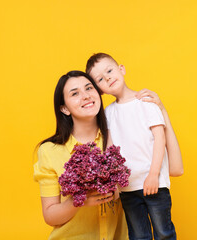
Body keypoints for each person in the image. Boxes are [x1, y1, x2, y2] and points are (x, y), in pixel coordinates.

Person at [86, 53, 183, 240]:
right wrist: (111, 180)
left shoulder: (145, 101)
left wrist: (153, 175)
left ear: (121, 69)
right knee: (138, 235)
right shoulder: (108, 113)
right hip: (127, 188)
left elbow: (159, 138)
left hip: (154, 183)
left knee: (164, 233)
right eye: (100, 79)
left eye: (109, 70)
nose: (107, 77)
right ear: (100, 90)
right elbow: (110, 149)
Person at [34, 71, 128, 240]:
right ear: (64, 108)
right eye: (75, 93)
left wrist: (160, 111)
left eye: (89, 88)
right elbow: (50, 215)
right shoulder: (49, 151)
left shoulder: (119, 137)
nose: (85, 96)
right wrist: (79, 200)